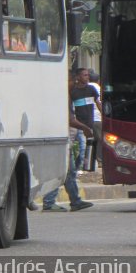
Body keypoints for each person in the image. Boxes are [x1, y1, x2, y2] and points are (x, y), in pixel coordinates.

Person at [43, 71, 94, 212]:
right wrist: (85, 128)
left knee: (69, 172)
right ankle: (49, 202)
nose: (76, 85)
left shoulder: (68, 96)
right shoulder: (62, 96)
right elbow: (70, 120)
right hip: (60, 141)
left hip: (67, 141)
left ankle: (75, 200)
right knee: (61, 171)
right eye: (74, 82)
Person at [71, 67, 102, 171]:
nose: (87, 77)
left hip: (90, 123)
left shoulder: (91, 89)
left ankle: (84, 166)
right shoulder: (73, 92)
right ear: (78, 77)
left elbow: (98, 103)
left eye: (88, 75)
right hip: (78, 124)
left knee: (89, 146)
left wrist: (104, 115)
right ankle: (78, 167)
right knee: (83, 147)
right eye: (85, 75)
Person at [88, 68, 103, 165]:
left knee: (89, 140)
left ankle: (88, 160)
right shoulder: (98, 89)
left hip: (85, 118)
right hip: (97, 118)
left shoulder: (85, 87)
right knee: (100, 140)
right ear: (98, 81)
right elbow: (100, 103)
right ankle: (100, 160)